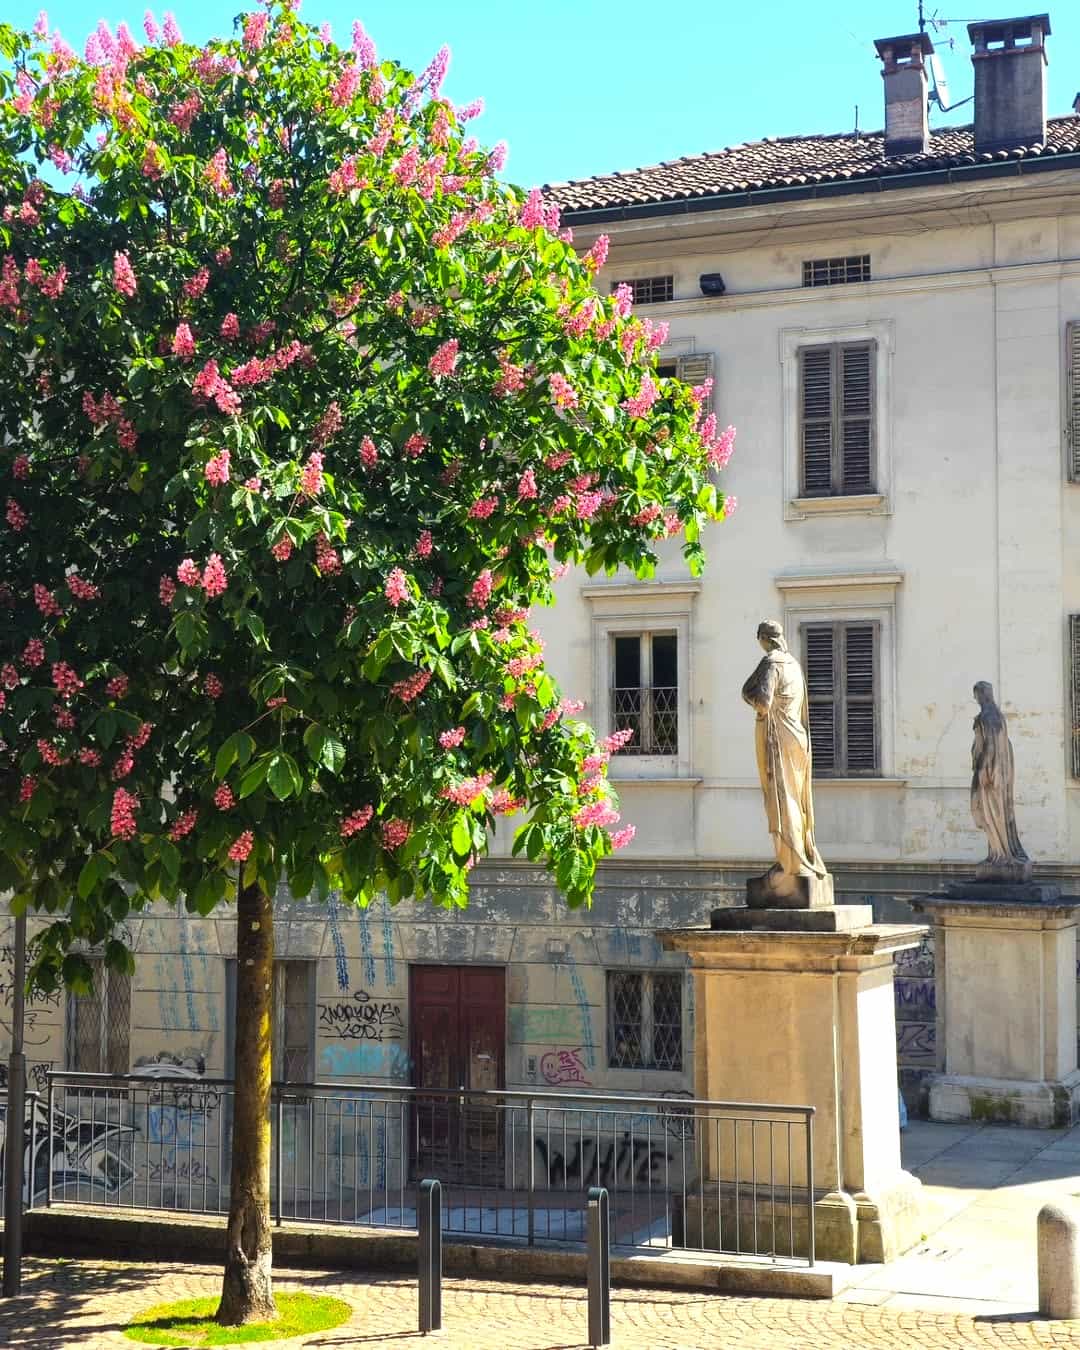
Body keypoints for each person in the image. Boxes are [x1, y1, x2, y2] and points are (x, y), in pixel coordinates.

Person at [741, 620, 827, 894]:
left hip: (778, 736)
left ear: (763, 639)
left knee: (781, 797)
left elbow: (763, 702)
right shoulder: (794, 665)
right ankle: (796, 859)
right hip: (798, 737)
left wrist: (747, 694)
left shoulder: (771, 664)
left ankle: (790, 865)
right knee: (796, 797)